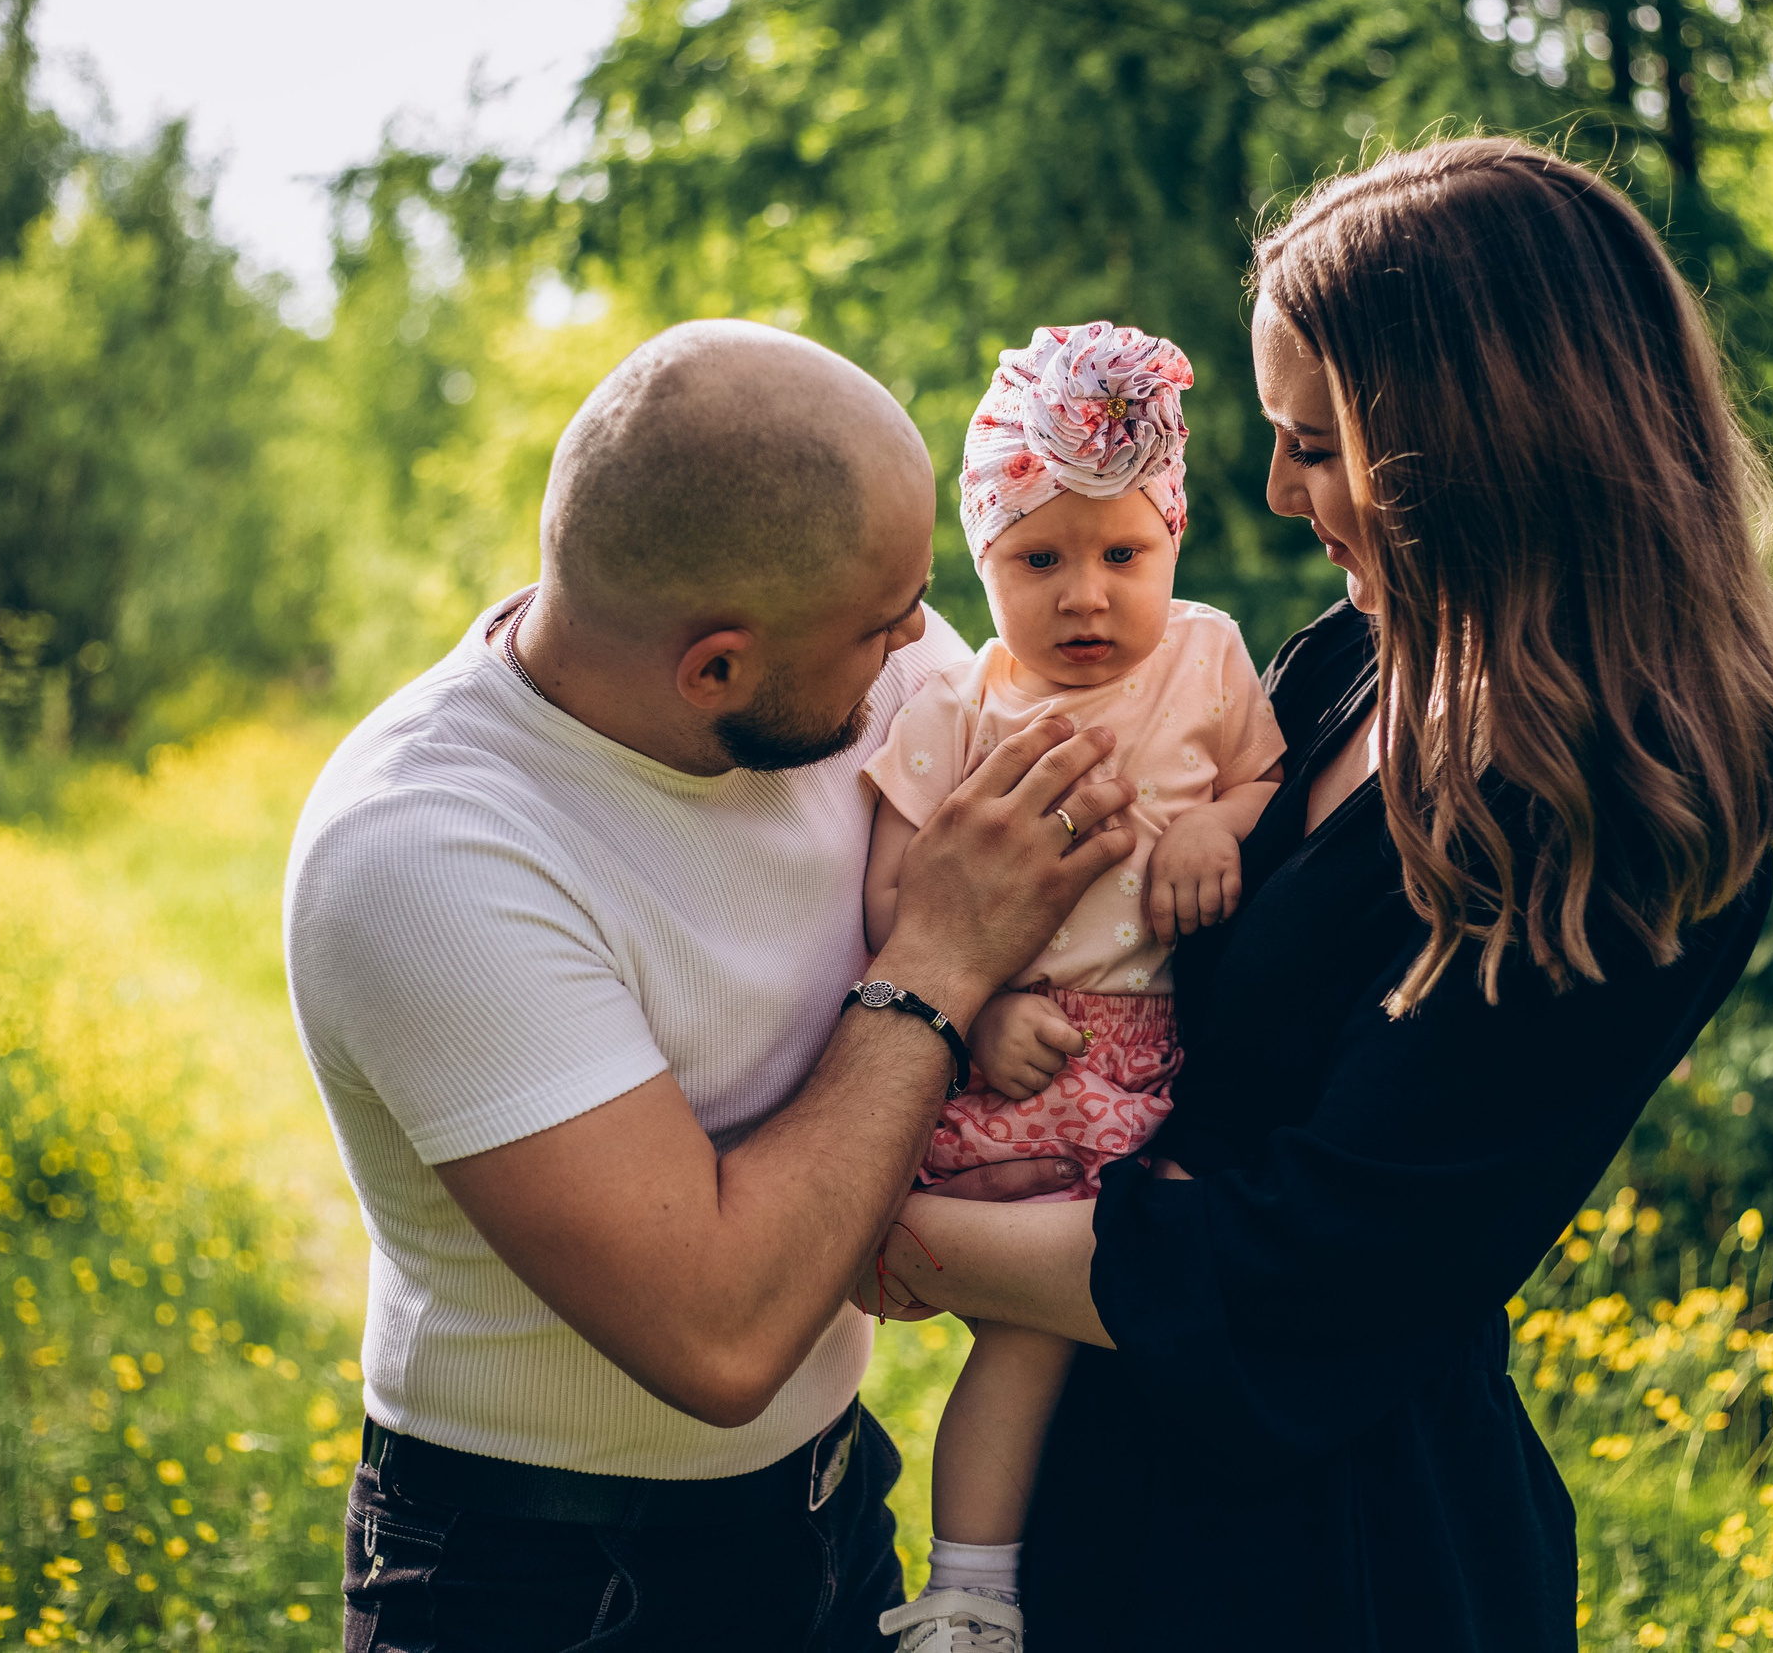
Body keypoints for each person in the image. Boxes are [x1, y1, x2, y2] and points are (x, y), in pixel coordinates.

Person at [867, 136, 1773, 1648]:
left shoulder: (1628, 818)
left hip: (1338, 1566)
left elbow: (1308, 1277)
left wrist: (882, 1228)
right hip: (1103, 1482)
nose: (1271, 491)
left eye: (1317, 444)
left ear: (1484, 442)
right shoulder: (1350, 663)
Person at [282, 320, 1138, 1653]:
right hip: (544, 1577)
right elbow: (720, 1337)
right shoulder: (425, 853)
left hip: (831, 1509)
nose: (928, 642)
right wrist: (940, 963)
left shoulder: (884, 672)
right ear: (719, 668)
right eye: (884, 622)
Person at [859, 324, 1285, 1652]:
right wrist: (979, 1009)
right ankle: (970, 1591)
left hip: (1160, 1076)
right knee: (1026, 1342)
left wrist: (1224, 823)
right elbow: (893, 897)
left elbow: (1264, 778)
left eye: (1122, 555)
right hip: (1020, 1065)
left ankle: (1130, 1571)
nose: (1085, 596)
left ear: (1172, 541)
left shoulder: (1208, 660)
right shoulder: (958, 708)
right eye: (1038, 560)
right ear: (982, 563)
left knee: (1146, 1326)